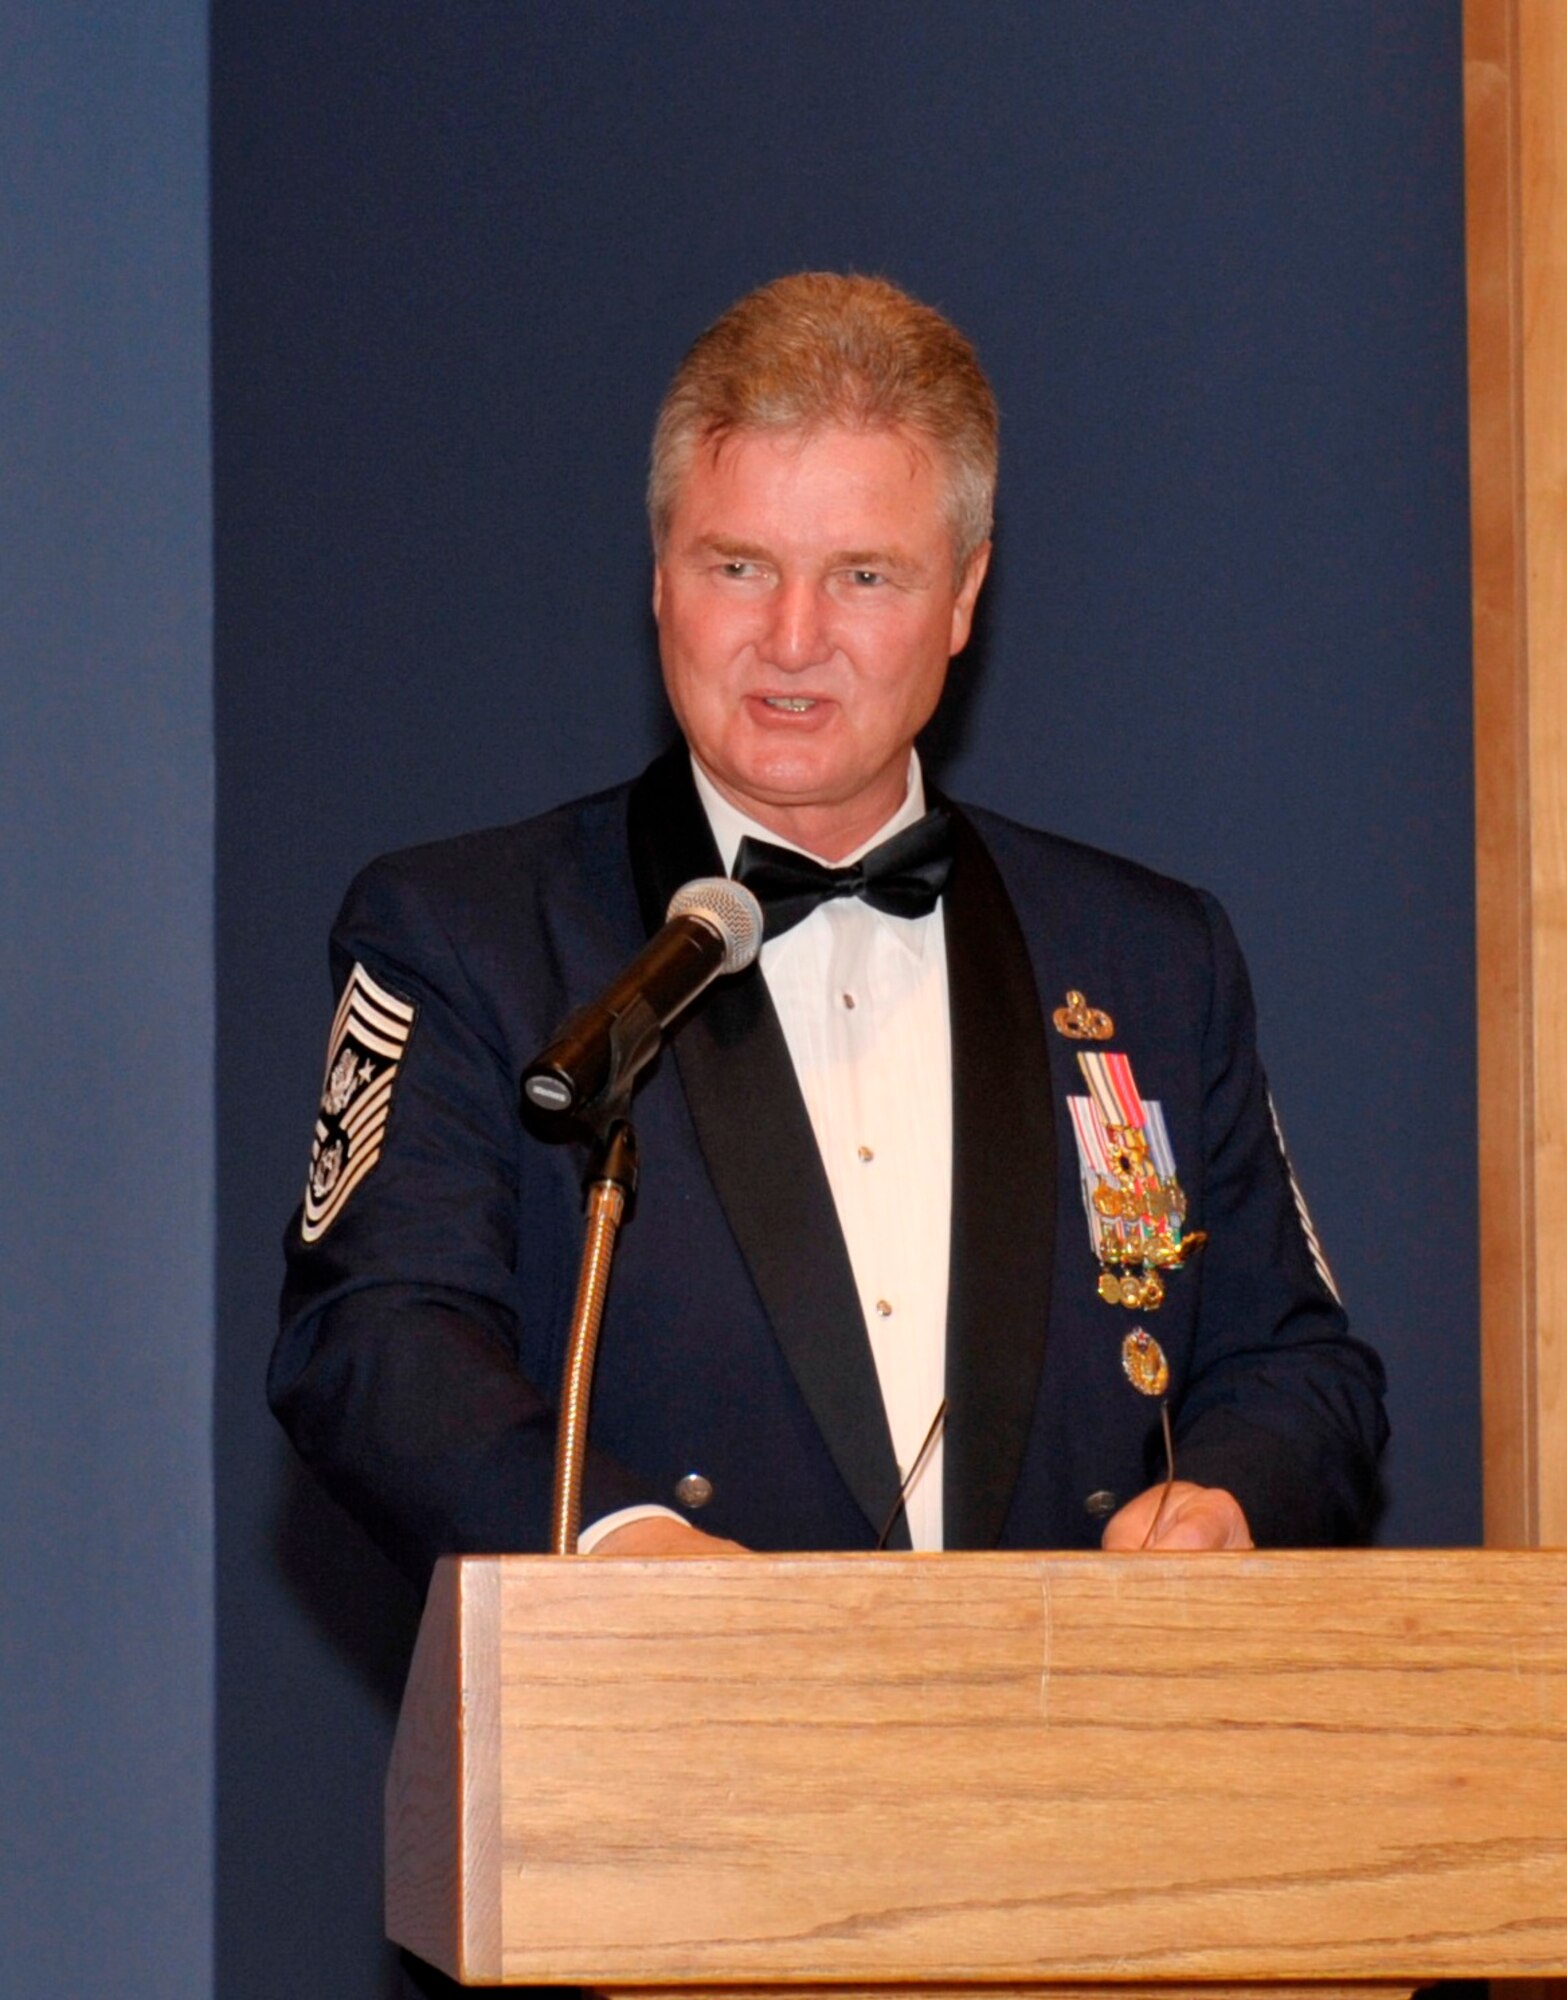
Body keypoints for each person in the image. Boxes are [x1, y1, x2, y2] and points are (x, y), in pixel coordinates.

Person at [273, 272, 1387, 1594]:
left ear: (965, 596)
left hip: (1075, 1751)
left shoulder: (1149, 958)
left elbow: (1302, 1370)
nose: (790, 640)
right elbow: (375, 1345)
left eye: (864, 575)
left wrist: (1228, 1497)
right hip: (652, 1752)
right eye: (738, 566)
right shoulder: (471, 938)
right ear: (659, 577)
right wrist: (625, 1549)